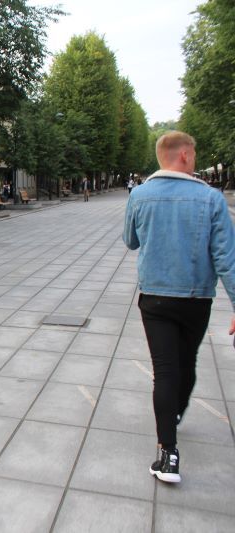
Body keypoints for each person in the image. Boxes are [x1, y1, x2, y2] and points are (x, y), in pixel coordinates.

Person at [123, 131, 235, 484]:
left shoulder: (139, 195)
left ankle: (167, 454)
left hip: (155, 297)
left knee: (165, 371)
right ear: (184, 155)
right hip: (196, 299)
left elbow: (130, 240)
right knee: (187, 364)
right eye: (194, 153)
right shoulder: (211, 198)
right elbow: (226, 258)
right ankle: (174, 413)